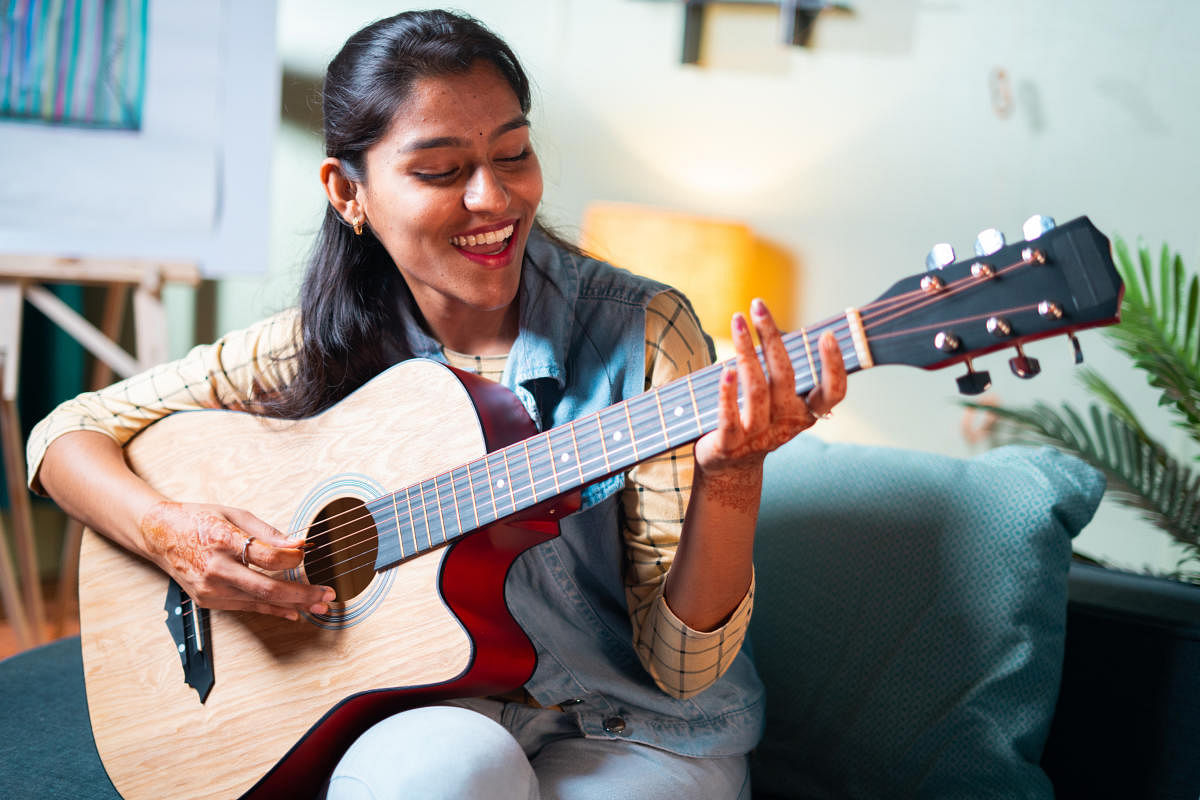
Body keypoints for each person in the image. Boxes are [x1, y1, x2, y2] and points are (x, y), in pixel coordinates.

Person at [27, 9, 846, 799]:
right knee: (440, 776)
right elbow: (65, 434)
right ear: (349, 194)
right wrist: (171, 535)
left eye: (513, 154)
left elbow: (681, 667)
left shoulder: (644, 333)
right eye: (441, 170)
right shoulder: (321, 337)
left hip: (638, 725)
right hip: (436, 709)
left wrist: (733, 475)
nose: (493, 200)